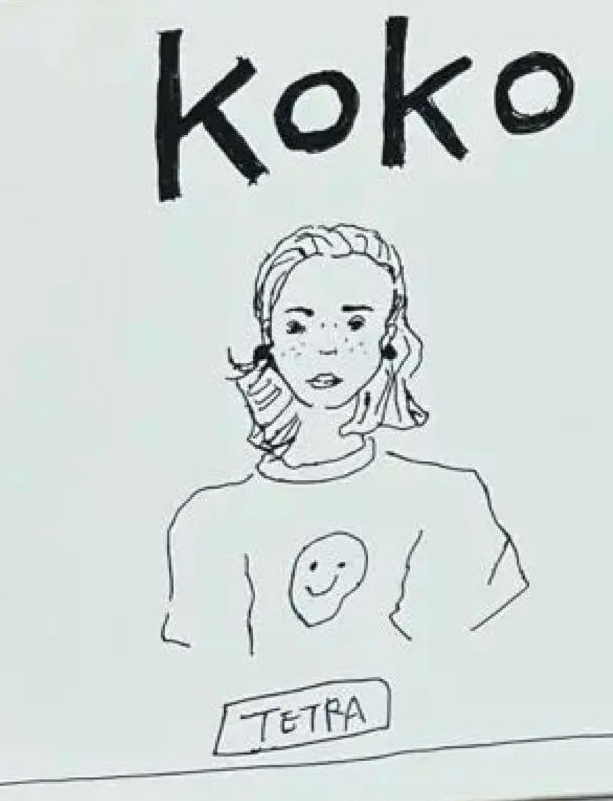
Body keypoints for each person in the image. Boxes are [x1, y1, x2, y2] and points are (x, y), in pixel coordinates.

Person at [161, 223, 528, 658]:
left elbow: (469, 659)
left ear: (388, 336)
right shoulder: (210, 521)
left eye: (354, 323)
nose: (326, 347)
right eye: (297, 326)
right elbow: (201, 674)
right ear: (268, 338)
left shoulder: (448, 498)